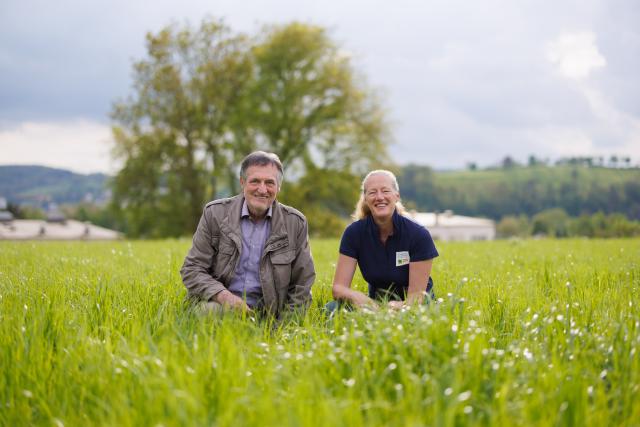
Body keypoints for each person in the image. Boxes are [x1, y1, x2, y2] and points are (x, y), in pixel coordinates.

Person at [180, 151, 315, 317]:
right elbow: (192, 269)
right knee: (209, 312)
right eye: (255, 181)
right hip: (221, 306)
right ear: (242, 182)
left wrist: (281, 330)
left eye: (270, 183)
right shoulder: (215, 213)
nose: (262, 189)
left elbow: (302, 286)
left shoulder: (296, 223)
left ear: (278, 187)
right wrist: (224, 297)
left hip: (270, 316)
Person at [330, 170, 438, 311]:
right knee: (332, 308)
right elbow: (338, 288)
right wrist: (358, 297)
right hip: (375, 305)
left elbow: (416, 299)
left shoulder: (418, 235)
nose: (379, 197)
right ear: (366, 199)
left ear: (396, 196)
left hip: (414, 307)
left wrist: (395, 307)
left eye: (385, 191)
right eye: (372, 192)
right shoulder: (353, 233)